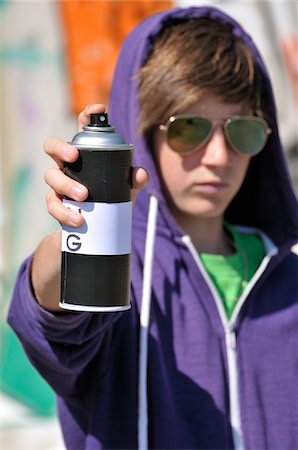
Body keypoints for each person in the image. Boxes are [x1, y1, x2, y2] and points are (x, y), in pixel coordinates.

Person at [8, 6, 298, 450]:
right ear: (143, 132)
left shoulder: (289, 282)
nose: (219, 156)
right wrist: (75, 243)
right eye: (190, 129)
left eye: (242, 130)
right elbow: (51, 323)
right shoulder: (118, 275)